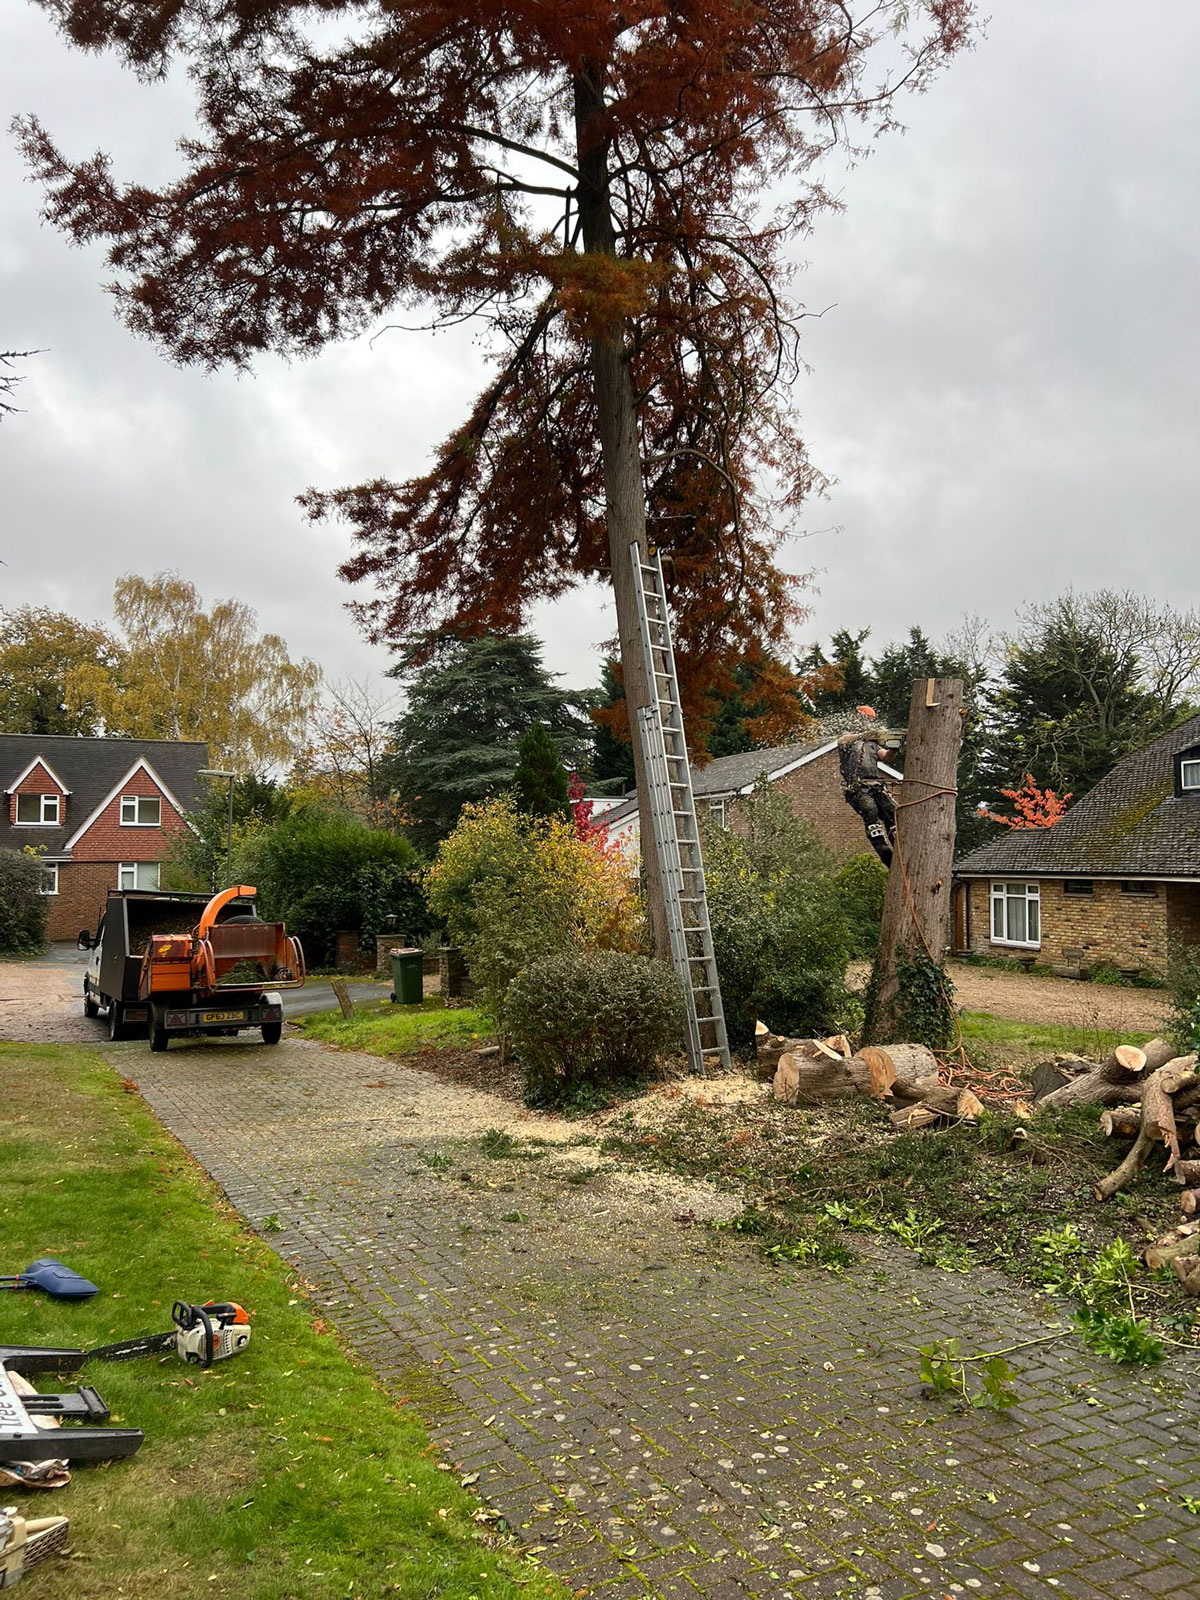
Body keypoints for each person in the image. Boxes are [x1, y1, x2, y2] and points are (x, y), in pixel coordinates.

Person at [838, 709, 900, 866]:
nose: (868, 723)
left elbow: (886, 757)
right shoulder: (848, 740)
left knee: (891, 811)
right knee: (870, 809)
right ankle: (882, 847)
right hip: (857, 788)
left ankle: (897, 841)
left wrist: (894, 747)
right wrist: (863, 735)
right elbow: (842, 741)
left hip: (875, 786)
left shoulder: (873, 745)